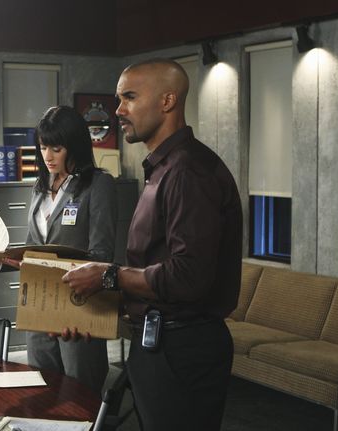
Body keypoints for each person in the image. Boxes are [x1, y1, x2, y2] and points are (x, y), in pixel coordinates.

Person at [62, 59, 243, 430]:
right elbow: (155, 272)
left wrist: (109, 275)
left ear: (167, 101)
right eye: (119, 99)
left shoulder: (188, 171)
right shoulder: (164, 168)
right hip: (157, 340)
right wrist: (87, 312)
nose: (118, 110)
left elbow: (187, 276)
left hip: (183, 349)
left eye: (129, 97)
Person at [0, 105, 118, 393]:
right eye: (43, 147)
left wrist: (49, 266)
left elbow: (102, 256)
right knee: (41, 388)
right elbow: (34, 249)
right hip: (39, 304)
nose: (48, 156)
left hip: (78, 305)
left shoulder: (98, 185)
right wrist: (0, 259)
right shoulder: (41, 185)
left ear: (75, 146)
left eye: (56, 148)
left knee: (81, 392)